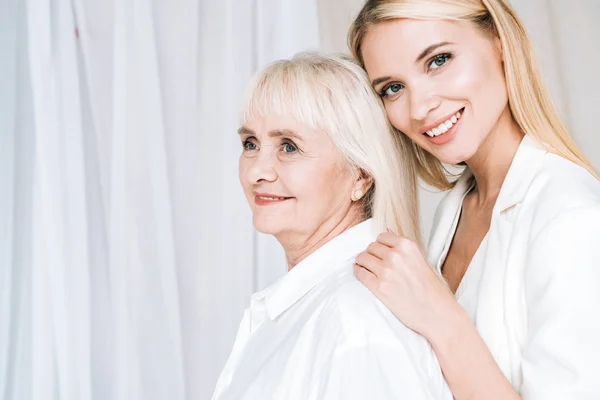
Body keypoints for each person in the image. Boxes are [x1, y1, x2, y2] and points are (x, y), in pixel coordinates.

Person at [348, 1, 600, 399]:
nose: (419, 107)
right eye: (393, 88)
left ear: (499, 42)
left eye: (438, 60)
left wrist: (441, 318)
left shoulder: (572, 218)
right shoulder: (457, 208)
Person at [211, 52, 452, 400]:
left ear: (361, 176)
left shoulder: (356, 320)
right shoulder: (319, 305)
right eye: (250, 144)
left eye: (289, 147)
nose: (256, 172)